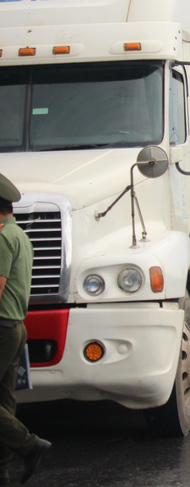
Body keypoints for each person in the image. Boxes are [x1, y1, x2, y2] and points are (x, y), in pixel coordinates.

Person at [0, 173, 51, 485]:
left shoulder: (3, 238)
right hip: (16, 326)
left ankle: (30, 445)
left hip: (1, 327)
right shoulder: (21, 236)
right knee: (5, 401)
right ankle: (2, 471)